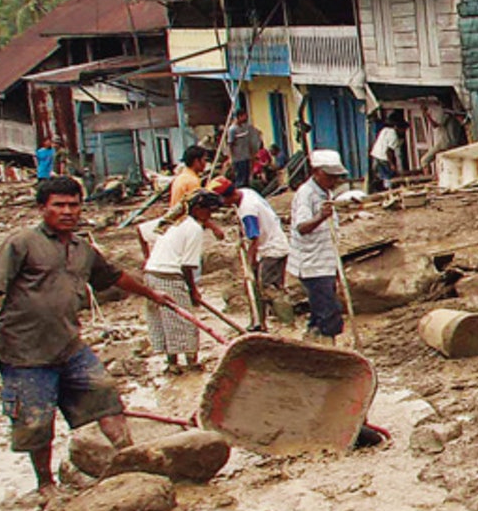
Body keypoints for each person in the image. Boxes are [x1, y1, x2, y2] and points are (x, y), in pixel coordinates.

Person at [0, 177, 182, 491]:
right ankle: (46, 484)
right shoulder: (23, 243)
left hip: (69, 347)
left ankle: (129, 458)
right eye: (59, 205)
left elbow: (114, 276)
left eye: (73, 205)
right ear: (43, 208)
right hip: (24, 353)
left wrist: (151, 294)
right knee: (37, 422)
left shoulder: (83, 249)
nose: (68, 211)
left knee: (105, 395)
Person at [143, 190, 222, 373]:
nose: (210, 216)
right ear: (197, 209)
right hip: (168, 275)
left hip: (151, 273)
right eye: (209, 212)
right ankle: (191, 362)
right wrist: (193, 290)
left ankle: (172, 363)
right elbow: (187, 266)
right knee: (185, 321)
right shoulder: (193, 228)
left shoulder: (175, 221)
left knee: (165, 320)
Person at [288, 149, 350, 340]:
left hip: (325, 261)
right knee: (329, 315)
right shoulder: (306, 194)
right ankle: (327, 349)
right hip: (312, 265)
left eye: (336, 177)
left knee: (320, 313)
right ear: (316, 172)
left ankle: (312, 344)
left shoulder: (326, 192)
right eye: (329, 176)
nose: (334, 181)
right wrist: (321, 217)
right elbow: (302, 227)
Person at [234, 180, 290, 329]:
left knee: (270, 288)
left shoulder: (248, 209)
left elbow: (254, 237)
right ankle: (259, 322)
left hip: (271, 249)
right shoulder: (246, 192)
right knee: (258, 288)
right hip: (271, 244)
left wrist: (250, 261)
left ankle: (288, 324)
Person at [224, 109, 262, 190]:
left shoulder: (245, 127)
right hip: (238, 159)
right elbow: (230, 144)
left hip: (246, 157)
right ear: (239, 116)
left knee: (246, 179)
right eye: (244, 116)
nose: (246, 118)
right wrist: (230, 158)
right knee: (240, 180)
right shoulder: (232, 130)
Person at [168, 145, 210, 216]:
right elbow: (197, 212)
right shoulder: (192, 181)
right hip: (184, 220)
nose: (206, 163)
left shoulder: (181, 176)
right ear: (196, 161)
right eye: (204, 160)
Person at [369, 114, 401, 193]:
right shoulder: (393, 135)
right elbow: (388, 151)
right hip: (383, 157)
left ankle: (380, 190)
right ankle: (388, 191)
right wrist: (391, 164)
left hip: (376, 155)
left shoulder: (385, 130)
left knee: (380, 176)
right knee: (388, 176)